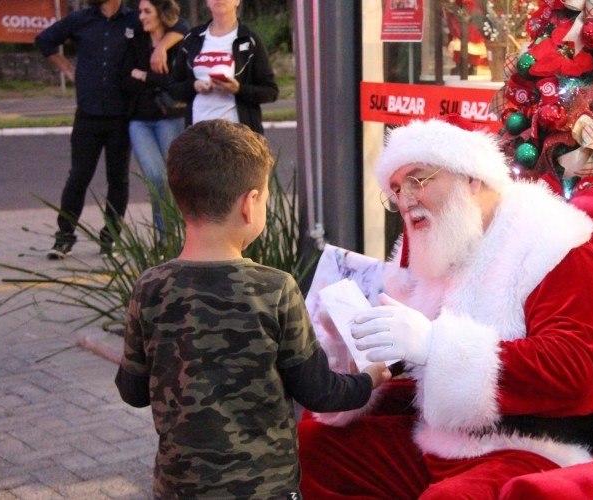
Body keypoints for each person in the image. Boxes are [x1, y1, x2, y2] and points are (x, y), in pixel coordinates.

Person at [297, 116, 593, 498]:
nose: (405, 200)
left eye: (419, 179)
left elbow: (571, 367)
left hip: (538, 444)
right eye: (396, 189)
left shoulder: (553, 243)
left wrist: (434, 344)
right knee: (314, 446)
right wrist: (349, 346)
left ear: (471, 178)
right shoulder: (437, 247)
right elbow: (408, 364)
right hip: (444, 438)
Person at [114, 119, 391, 498]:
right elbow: (319, 392)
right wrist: (369, 379)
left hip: (179, 489)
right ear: (250, 204)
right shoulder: (274, 289)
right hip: (265, 489)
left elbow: (132, 390)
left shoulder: (150, 287)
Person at [35, 0, 188, 259]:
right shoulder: (81, 19)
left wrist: (161, 48)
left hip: (121, 116)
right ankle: (64, 238)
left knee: (118, 179)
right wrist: (67, 69)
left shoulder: (133, 19)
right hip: (88, 113)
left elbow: (179, 23)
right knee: (79, 176)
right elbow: (44, 40)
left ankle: (110, 238)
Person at [121, 0, 186, 242]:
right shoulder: (135, 39)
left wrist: (145, 76)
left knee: (173, 178)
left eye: (147, 11)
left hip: (170, 118)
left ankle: (180, 237)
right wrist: (156, 78)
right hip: (139, 120)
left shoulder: (179, 43)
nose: (141, 16)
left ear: (161, 13)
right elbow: (125, 78)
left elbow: (176, 83)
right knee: (155, 176)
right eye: (140, 11)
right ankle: (164, 238)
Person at [168, 0, 278, 134]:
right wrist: (194, 86)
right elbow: (173, 87)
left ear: (237, 2)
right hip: (198, 132)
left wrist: (237, 89)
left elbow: (270, 91)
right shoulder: (192, 38)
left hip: (238, 134)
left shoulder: (249, 39)